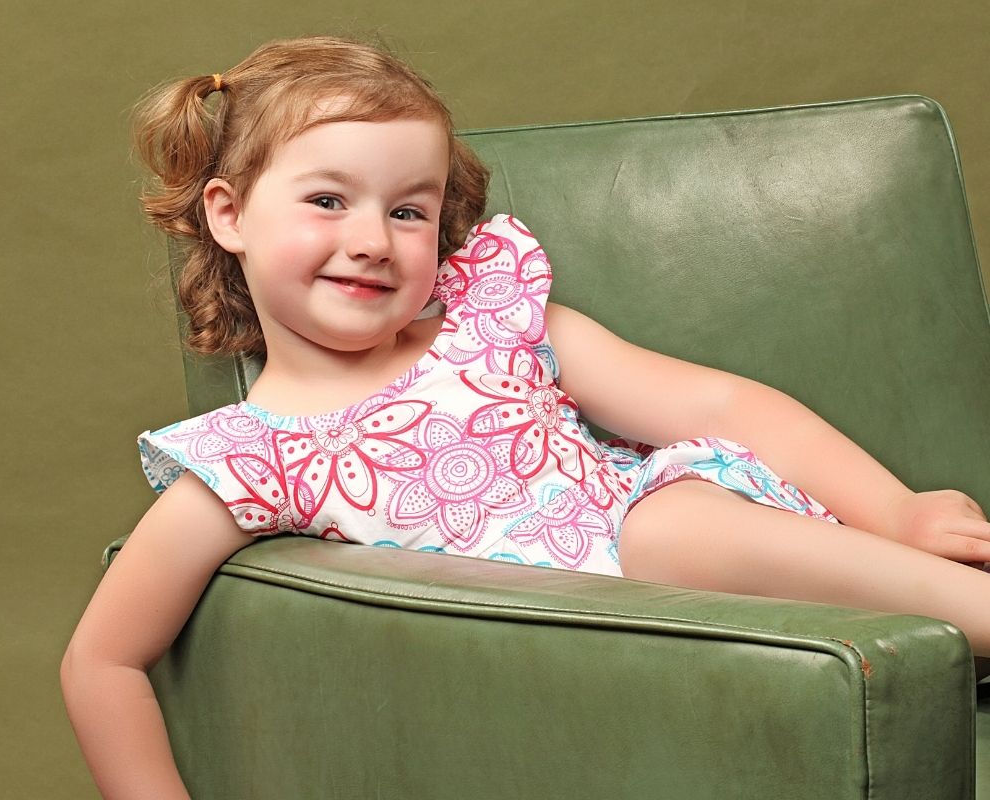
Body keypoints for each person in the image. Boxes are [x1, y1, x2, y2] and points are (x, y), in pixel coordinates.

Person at [62, 35, 990, 799]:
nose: (370, 240)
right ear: (229, 214)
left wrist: (896, 509)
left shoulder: (491, 323)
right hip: (547, 671)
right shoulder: (251, 461)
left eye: (410, 211)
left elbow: (716, 401)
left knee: (668, 524)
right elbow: (101, 662)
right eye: (327, 200)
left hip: (695, 568)